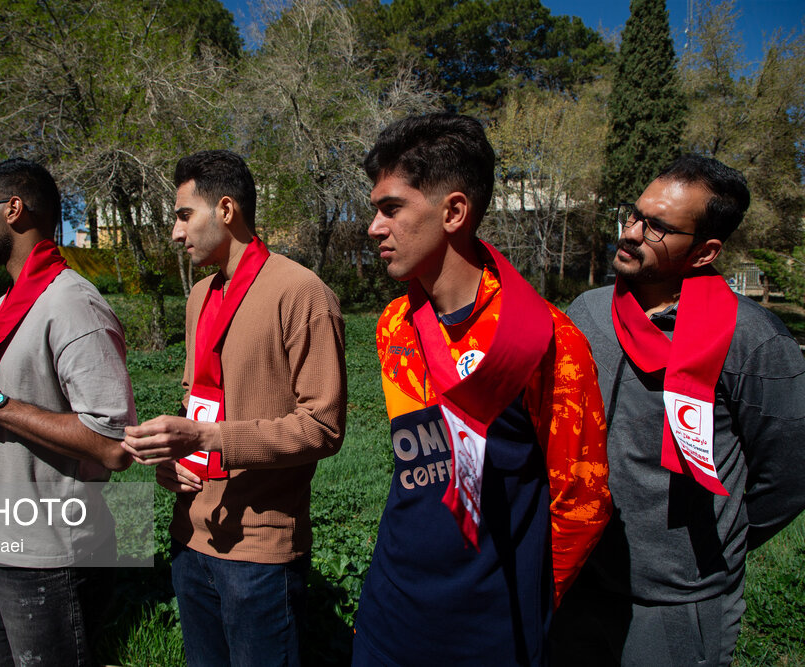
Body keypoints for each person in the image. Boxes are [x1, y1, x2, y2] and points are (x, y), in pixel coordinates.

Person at [352, 113, 612, 665]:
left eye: (391, 208)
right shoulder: (393, 326)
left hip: (492, 631)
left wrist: (529, 603)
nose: (374, 227)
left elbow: (583, 501)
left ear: (454, 212)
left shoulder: (548, 339)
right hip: (390, 614)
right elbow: (420, 470)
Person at [552, 154, 805, 666]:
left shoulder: (752, 340)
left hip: (676, 603)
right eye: (634, 215)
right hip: (576, 577)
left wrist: (710, 543)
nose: (631, 233)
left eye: (658, 228)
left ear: (705, 251)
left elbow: (790, 472)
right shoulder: (587, 312)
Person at [121, 149, 347, 665]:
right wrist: (174, 458)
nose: (176, 233)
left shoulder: (301, 292)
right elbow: (196, 401)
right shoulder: (199, 296)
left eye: (184, 215)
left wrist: (209, 438)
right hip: (189, 541)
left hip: (260, 554)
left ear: (226, 210)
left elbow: (323, 427)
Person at [0, 159, 136, 666]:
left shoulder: (72, 305)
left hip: (47, 558)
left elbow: (113, 445)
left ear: (13, 209)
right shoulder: (11, 300)